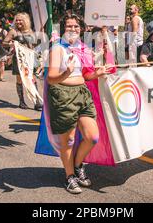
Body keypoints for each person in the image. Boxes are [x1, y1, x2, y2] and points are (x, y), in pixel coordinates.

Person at [47, 14, 108, 194]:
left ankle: (77, 164)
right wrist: (66, 72)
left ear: (81, 29)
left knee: (92, 136)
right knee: (69, 140)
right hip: (62, 95)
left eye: (76, 26)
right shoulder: (57, 49)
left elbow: (85, 76)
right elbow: (51, 78)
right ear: (62, 29)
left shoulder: (83, 49)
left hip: (82, 93)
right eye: (69, 26)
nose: (72, 29)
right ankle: (69, 176)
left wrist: (97, 73)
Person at [6, 12, 42, 110]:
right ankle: (21, 102)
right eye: (16, 20)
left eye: (20, 20)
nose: (18, 22)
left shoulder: (30, 31)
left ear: (25, 21)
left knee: (32, 79)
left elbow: (35, 45)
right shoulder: (13, 32)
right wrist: (11, 44)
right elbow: (4, 42)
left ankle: (37, 102)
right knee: (20, 79)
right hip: (19, 58)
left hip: (30, 58)